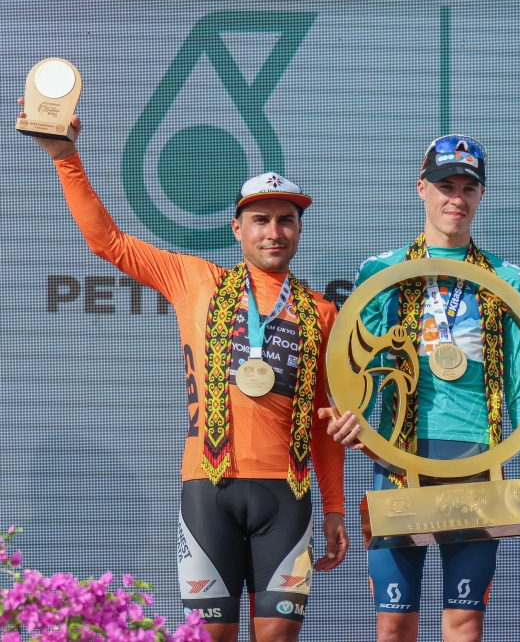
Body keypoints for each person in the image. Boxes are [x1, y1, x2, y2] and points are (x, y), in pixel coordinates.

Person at [19, 103, 349, 642]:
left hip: (286, 498)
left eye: (286, 219)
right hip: (207, 492)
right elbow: (111, 244)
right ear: (237, 227)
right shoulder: (194, 279)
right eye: (261, 220)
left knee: (278, 638)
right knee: (209, 639)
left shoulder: (322, 312)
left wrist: (333, 507)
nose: (274, 232)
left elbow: (322, 420)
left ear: (298, 229)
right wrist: (66, 158)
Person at [325, 134, 520, 642]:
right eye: (444, 185)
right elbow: (355, 368)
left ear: (481, 196)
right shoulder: (380, 273)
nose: (455, 198)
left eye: (467, 187)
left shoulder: (507, 279)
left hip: (478, 459)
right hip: (396, 461)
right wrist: (351, 417)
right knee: (392, 625)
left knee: (463, 623)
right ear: (421, 188)